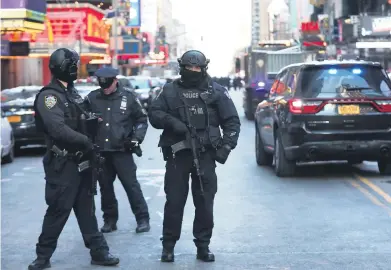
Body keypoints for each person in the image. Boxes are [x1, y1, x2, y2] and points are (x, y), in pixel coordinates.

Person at [30, 48, 119, 270]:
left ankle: (99, 252)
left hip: (83, 162)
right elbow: (57, 129)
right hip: (63, 164)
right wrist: (86, 142)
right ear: (64, 67)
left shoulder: (73, 93)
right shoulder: (49, 96)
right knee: (58, 210)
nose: (76, 69)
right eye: (74, 65)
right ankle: (42, 256)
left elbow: (83, 118)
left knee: (86, 210)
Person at [148, 50, 241, 263]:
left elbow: (232, 122)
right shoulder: (170, 91)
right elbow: (154, 114)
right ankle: (168, 246)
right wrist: (173, 123)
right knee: (174, 201)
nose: (193, 71)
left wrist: (226, 146)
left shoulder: (216, 91)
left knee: (205, 202)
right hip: (177, 156)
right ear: (182, 68)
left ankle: (203, 246)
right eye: (189, 68)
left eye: (197, 68)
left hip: (206, 154)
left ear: (203, 68)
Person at [84, 67, 150, 234]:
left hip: (122, 150)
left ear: (115, 81)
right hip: (101, 152)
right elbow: (82, 121)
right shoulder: (92, 98)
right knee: (105, 188)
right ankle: (110, 220)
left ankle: (142, 219)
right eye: (102, 85)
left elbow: (141, 119)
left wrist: (136, 138)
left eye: (108, 85)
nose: (105, 89)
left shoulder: (128, 97)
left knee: (131, 186)